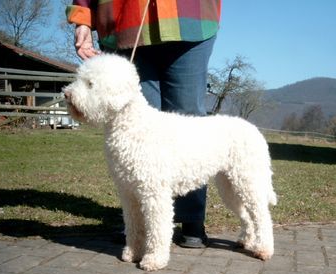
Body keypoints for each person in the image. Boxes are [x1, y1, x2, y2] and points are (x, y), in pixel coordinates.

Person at [66, 0, 221, 248]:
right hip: (125, 19)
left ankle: (191, 219)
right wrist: (83, 17)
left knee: (189, 121)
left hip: (189, 19)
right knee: (135, 129)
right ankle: (139, 229)